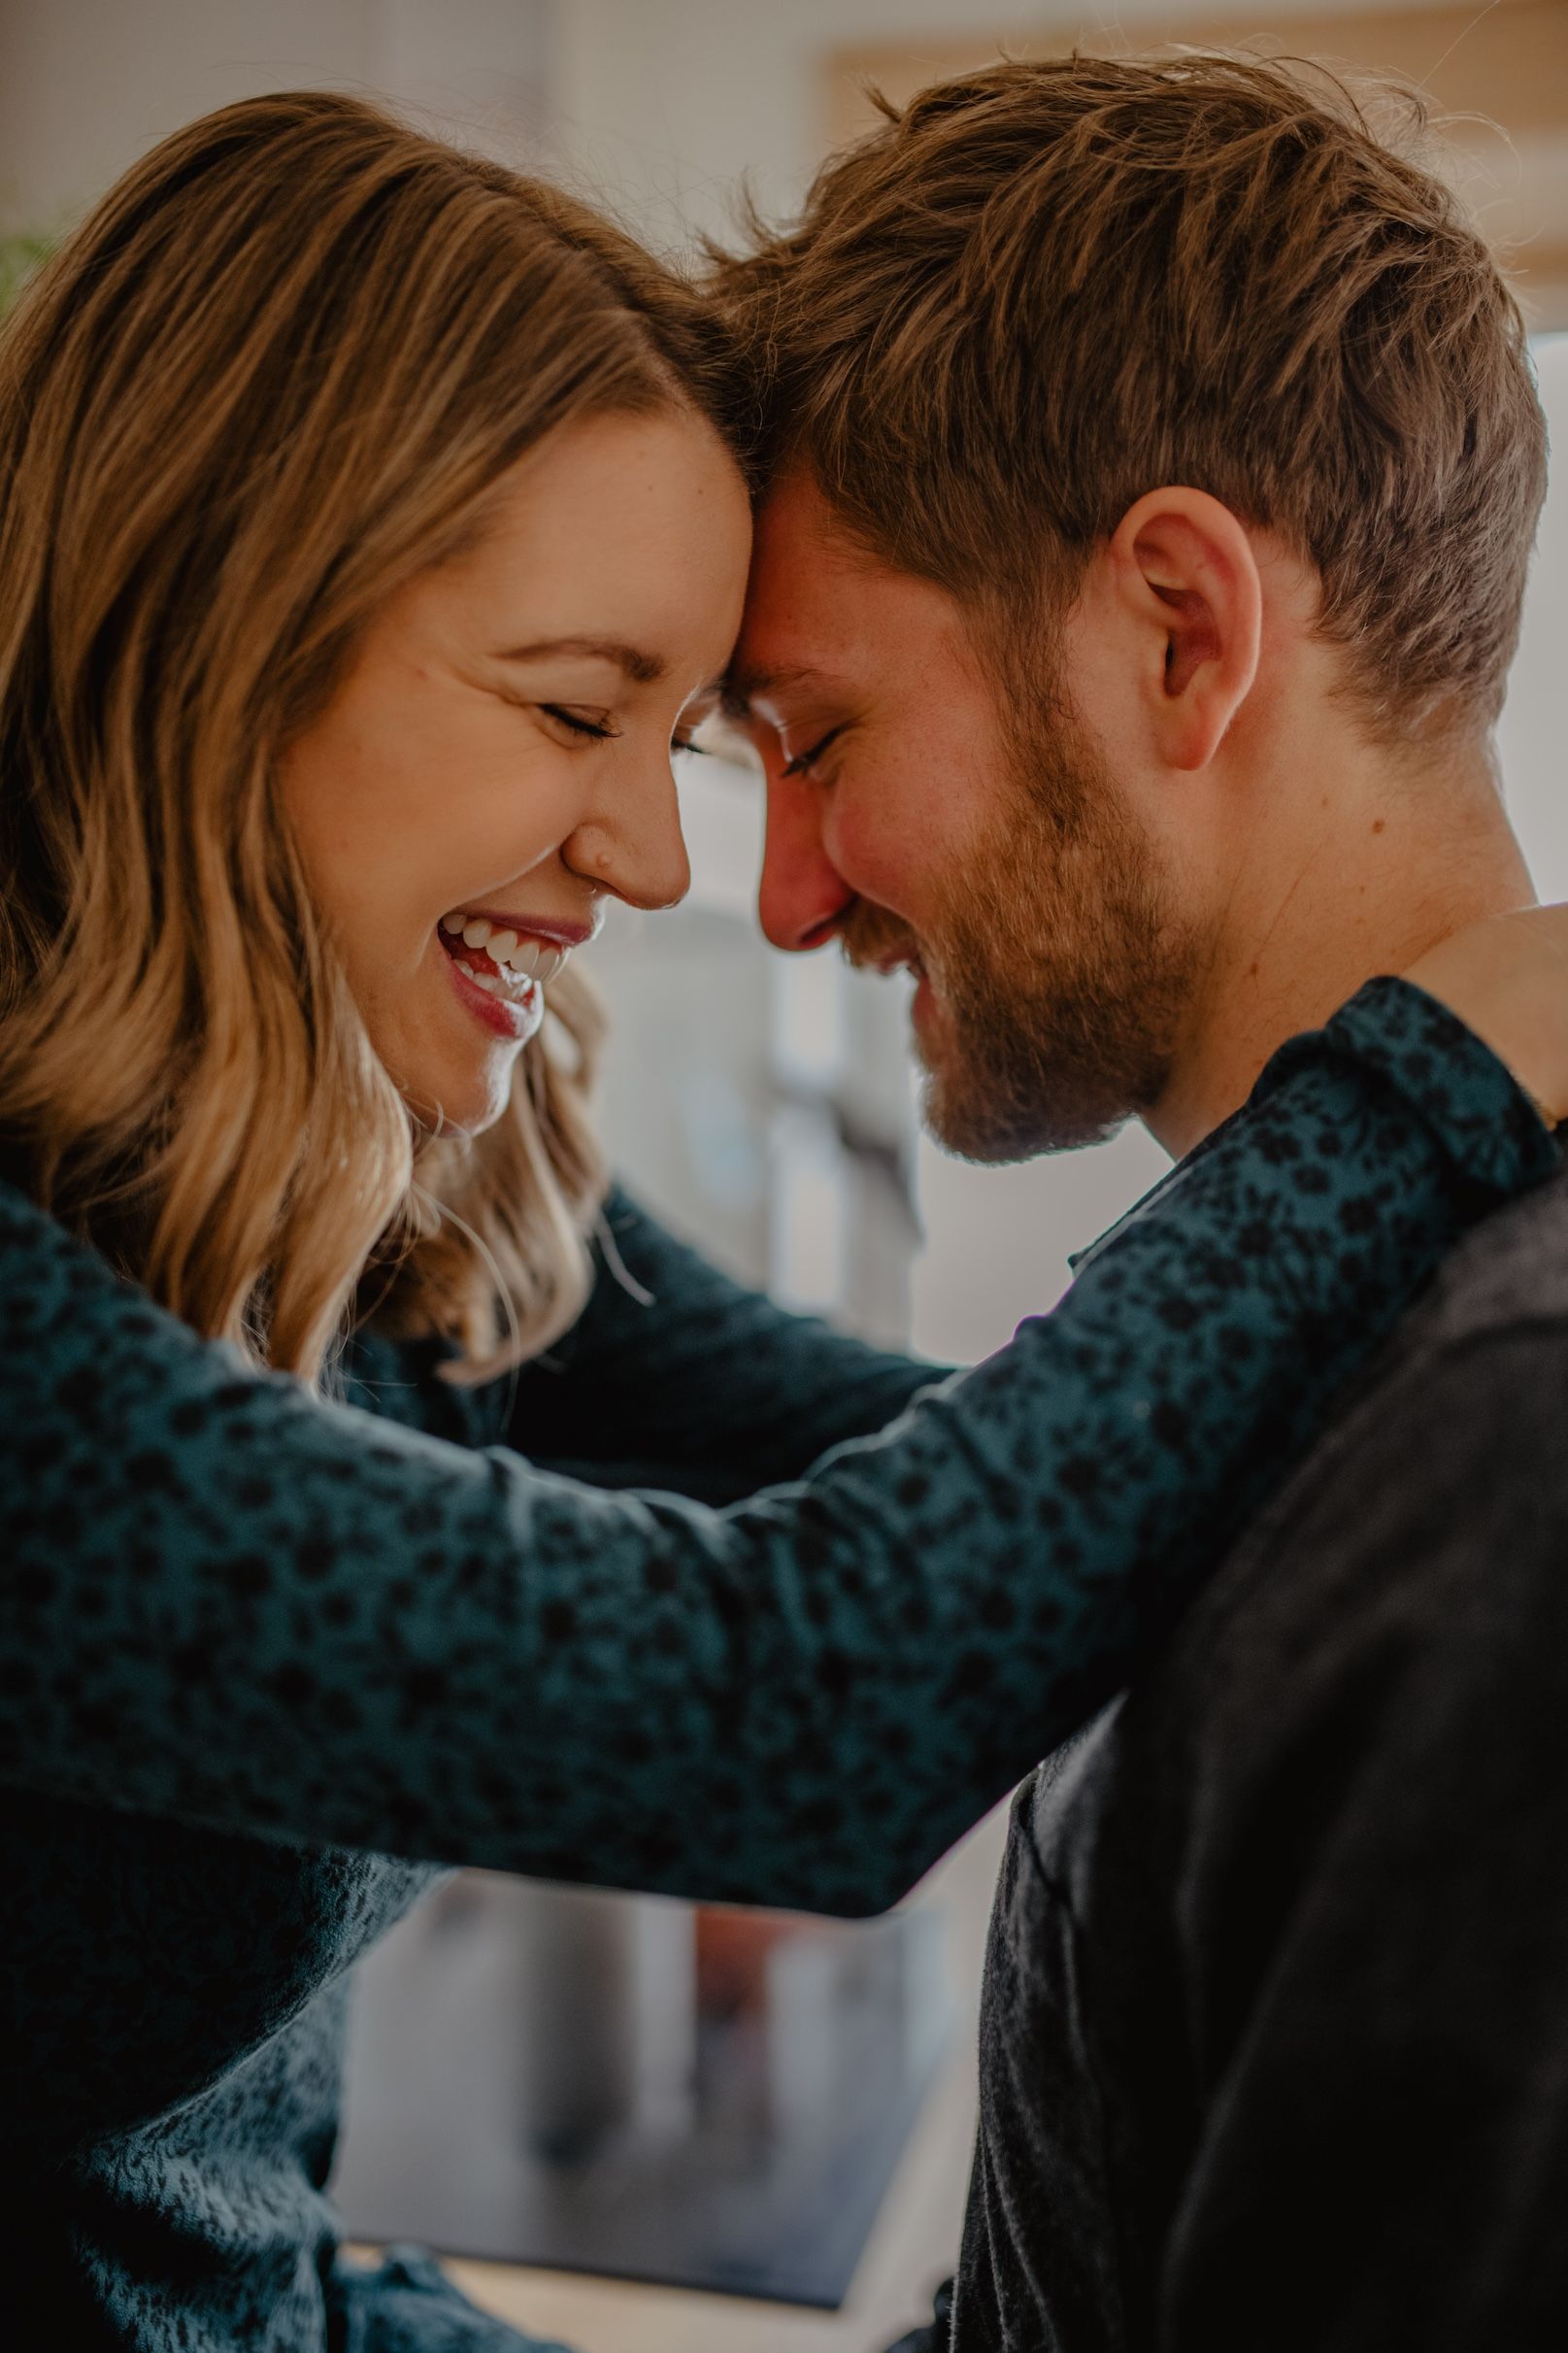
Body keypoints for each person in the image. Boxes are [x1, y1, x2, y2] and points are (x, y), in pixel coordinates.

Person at [0, 83, 1560, 2353]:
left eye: (775, 738)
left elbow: (986, 1506)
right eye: (578, 709)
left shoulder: (413, 1204)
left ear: (1185, 635)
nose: (679, 869)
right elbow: (797, 1693)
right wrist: (1415, 1086)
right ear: (224, 649)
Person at [709, 50, 1568, 2349]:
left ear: (1181, 631)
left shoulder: (1514, 1462)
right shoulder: (1287, 1351)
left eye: (816, 741)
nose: (786, 901)